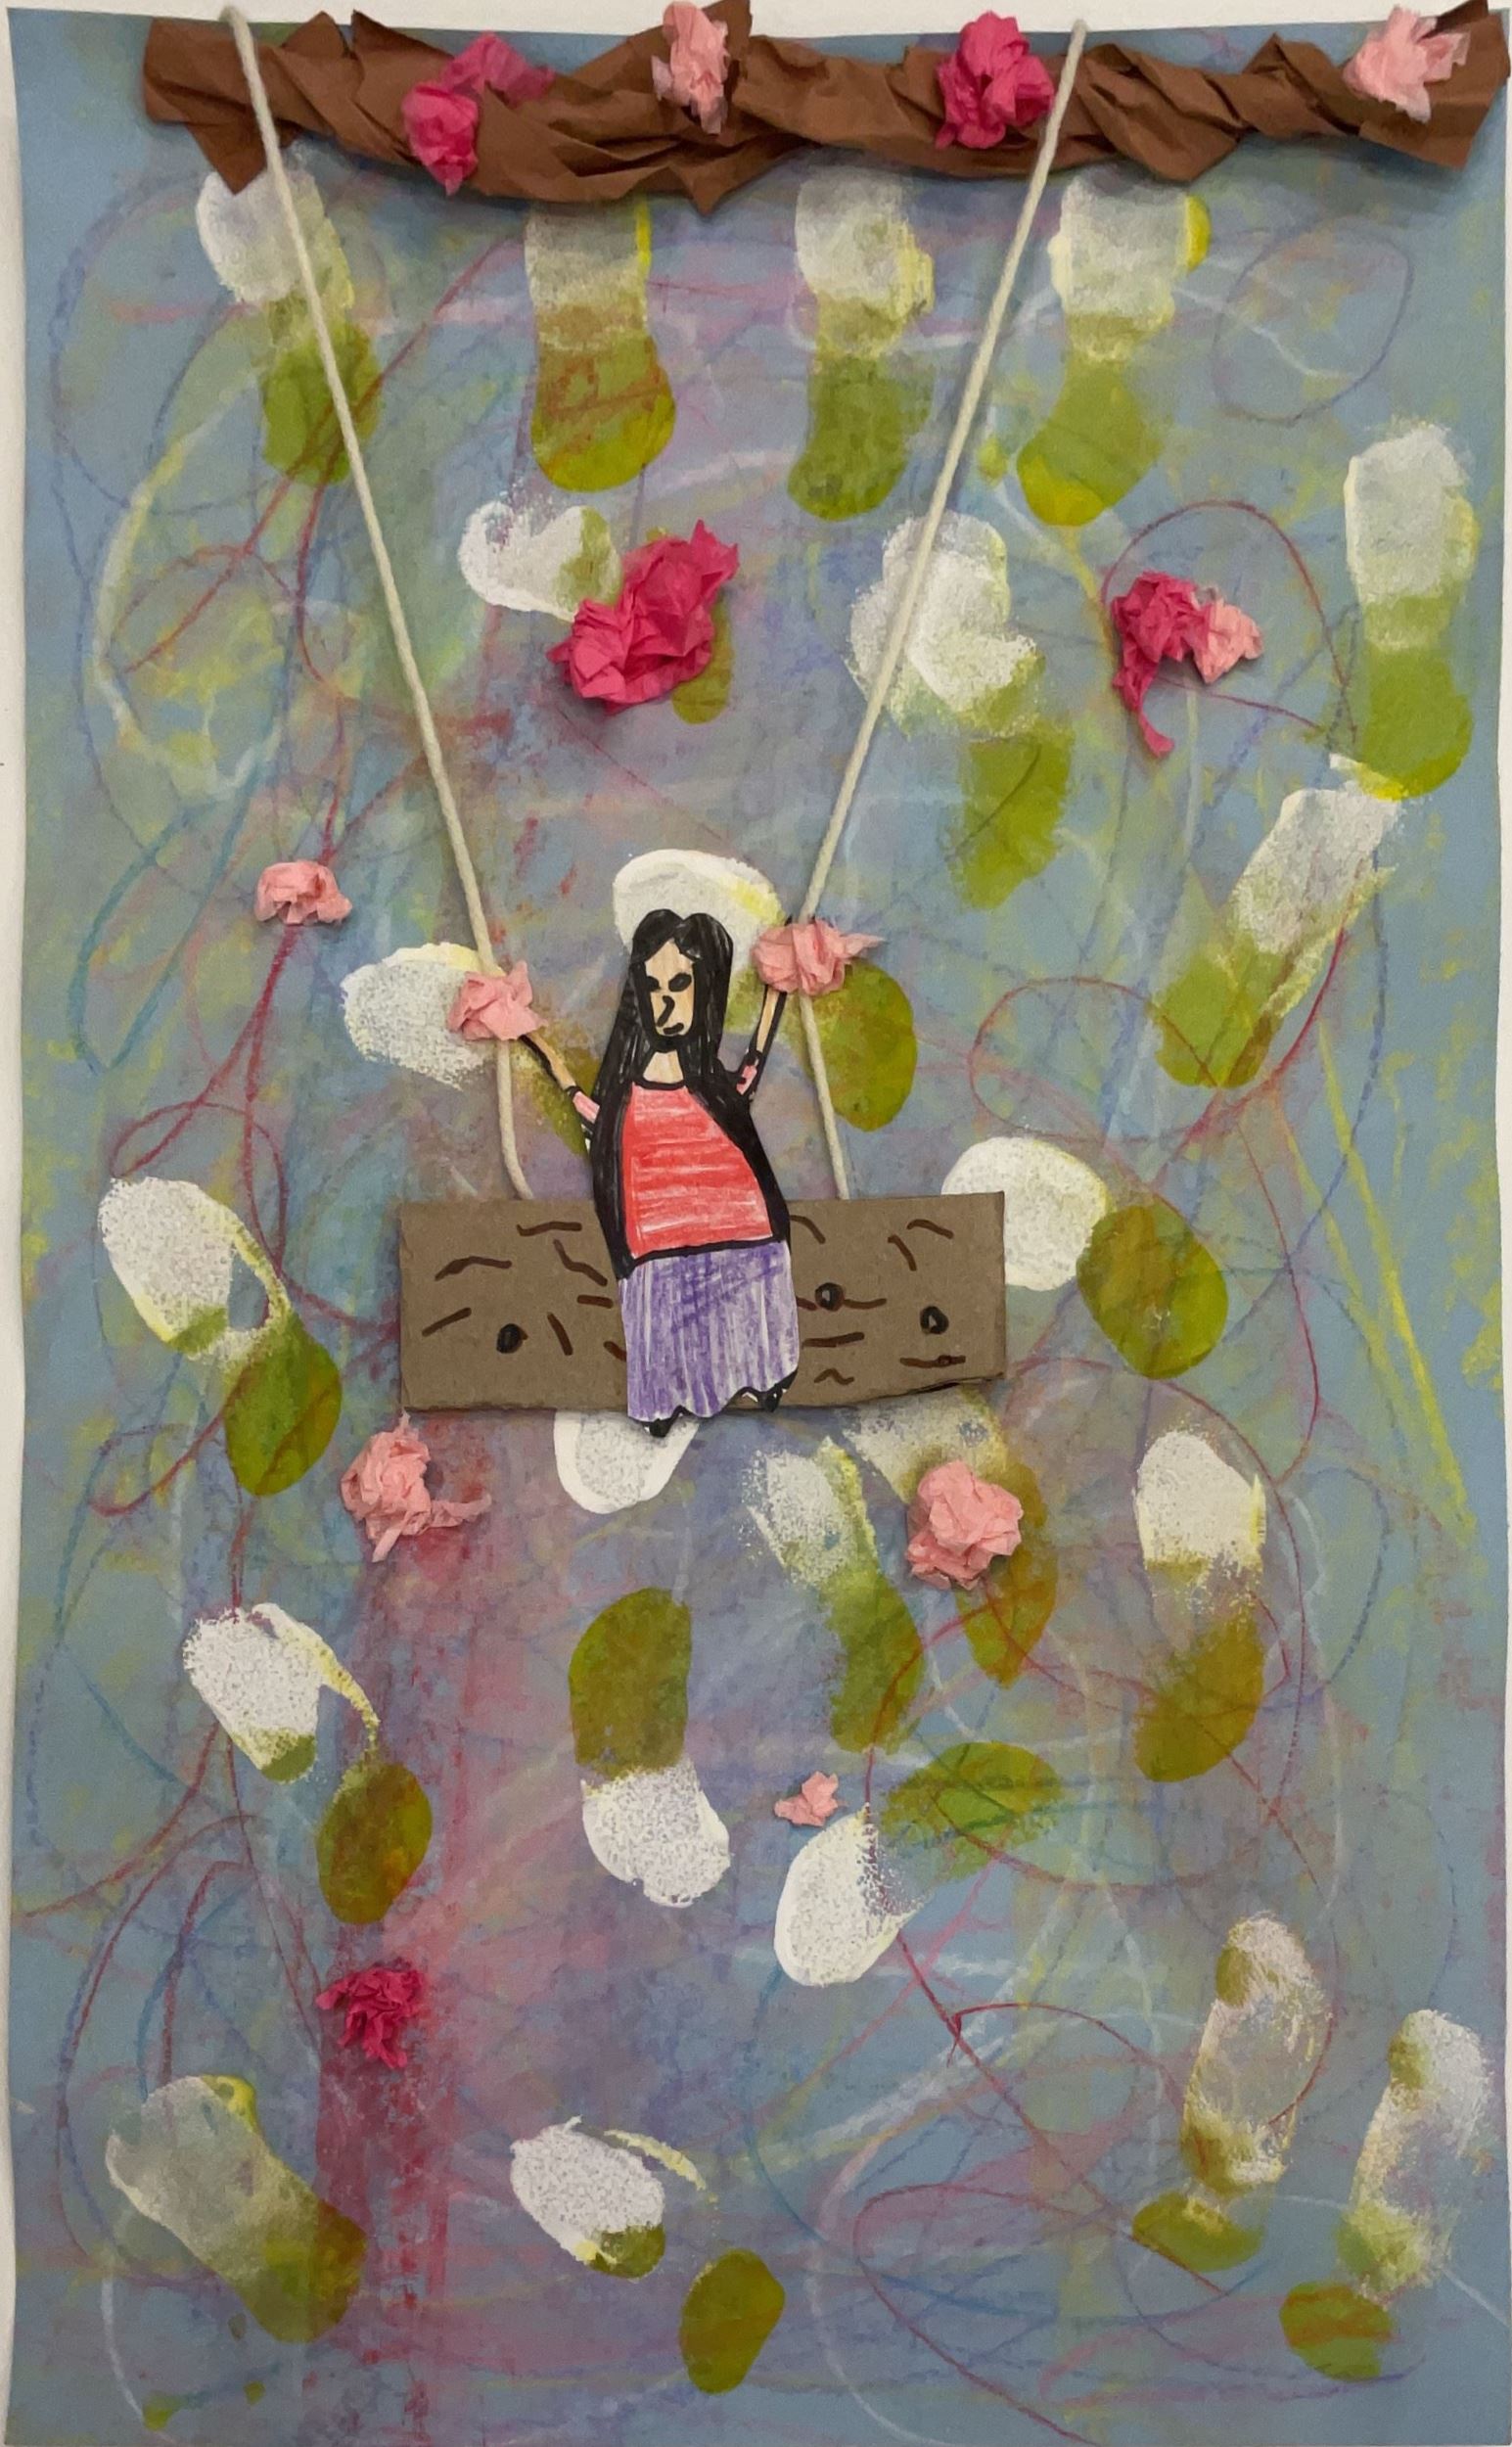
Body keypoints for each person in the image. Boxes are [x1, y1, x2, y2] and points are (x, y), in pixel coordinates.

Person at [525, 908, 799, 1435]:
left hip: (743, 1231)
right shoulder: (623, 1094)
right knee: (668, 1333)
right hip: (656, 1245)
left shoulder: (711, 1086)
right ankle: (670, 1400)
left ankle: (760, 1378)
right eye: (653, 987)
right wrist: (530, 1038)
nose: (666, 1002)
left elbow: (751, 1069)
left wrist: (777, 993)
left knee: (746, 1327)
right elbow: (582, 1104)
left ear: (705, 985)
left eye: (679, 984)